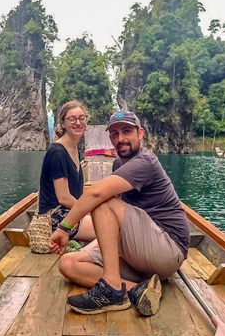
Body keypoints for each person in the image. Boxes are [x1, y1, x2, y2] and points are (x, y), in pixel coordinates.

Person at [50, 110, 190, 316]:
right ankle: (137, 290)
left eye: (126, 131)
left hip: (167, 249)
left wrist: (64, 228)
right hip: (142, 252)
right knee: (69, 263)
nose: (120, 139)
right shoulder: (119, 164)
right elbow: (116, 221)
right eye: (115, 134)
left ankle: (113, 289)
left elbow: (97, 194)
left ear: (140, 133)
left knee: (102, 199)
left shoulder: (145, 162)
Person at [38, 101, 96, 243]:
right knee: (109, 227)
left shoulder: (75, 150)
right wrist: (88, 211)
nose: (78, 123)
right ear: (63, 123)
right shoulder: (57, 152)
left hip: (70, 212)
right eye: (72, 119)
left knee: (108, 219)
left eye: (82, 118)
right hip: (56, 217)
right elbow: (63, 198)